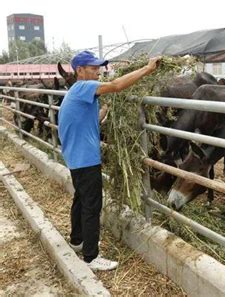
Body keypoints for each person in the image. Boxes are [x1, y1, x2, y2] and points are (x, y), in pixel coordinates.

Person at [58, 51, 161, 271]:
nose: (98, 71)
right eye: (93, 67)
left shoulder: (77, 93)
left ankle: (77, 241)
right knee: (92, 205)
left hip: (76, 156)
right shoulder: (83, 87)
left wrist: (105, 111)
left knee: (81, 198)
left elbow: (90, 120)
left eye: (98, 67)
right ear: (80, 70)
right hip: (85, 158)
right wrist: (148, 68)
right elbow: (115, 85)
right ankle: (91, 257)